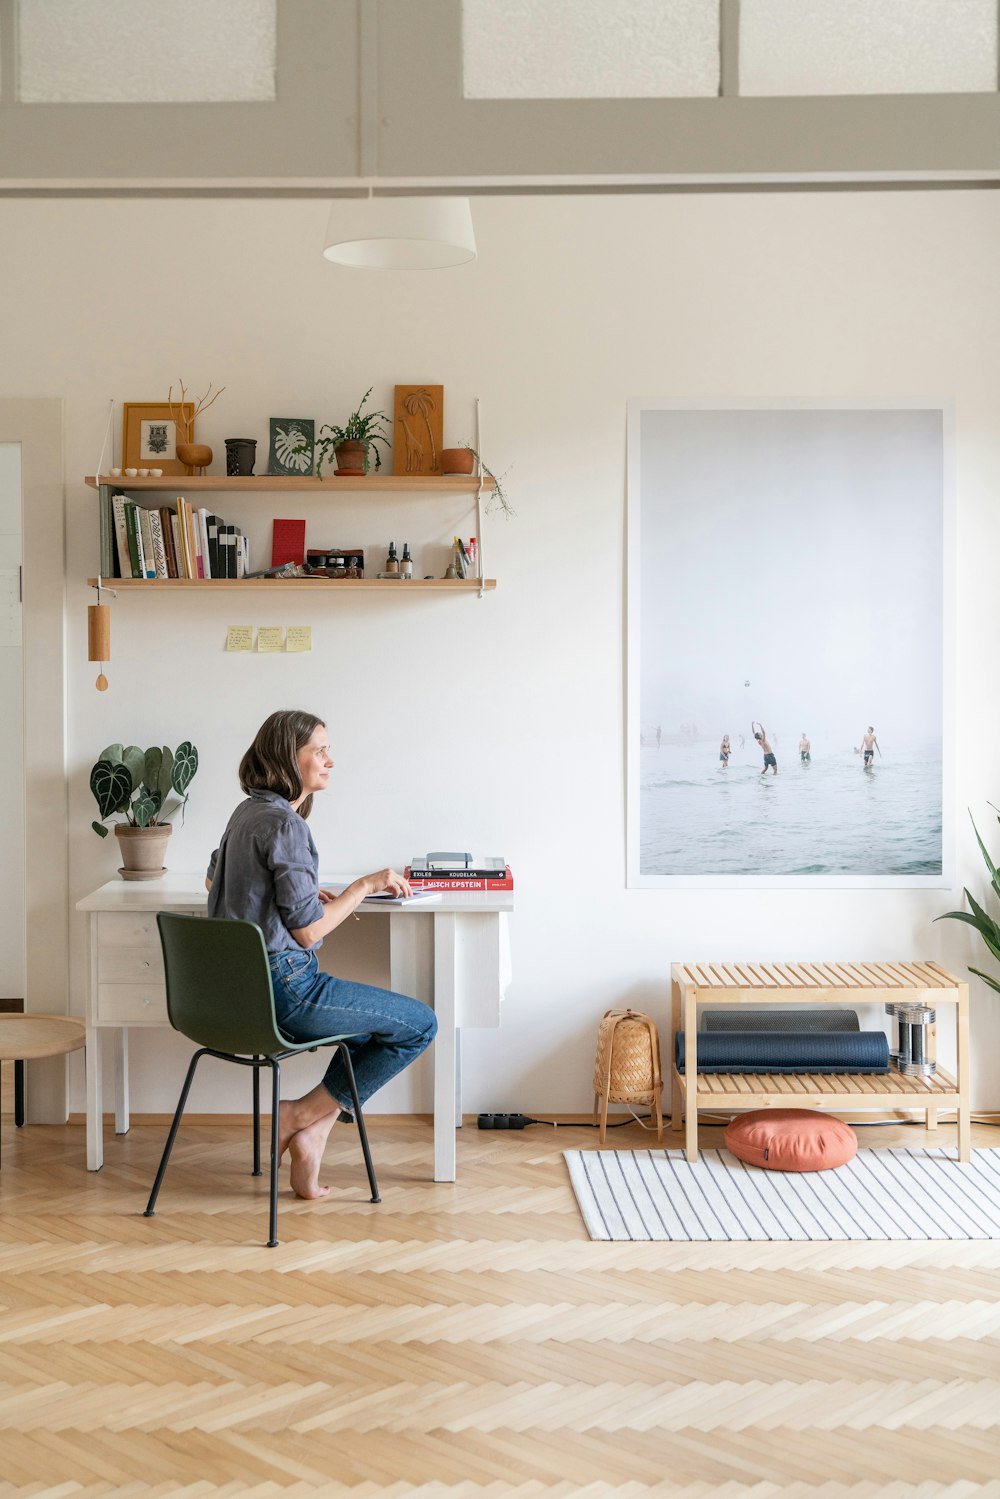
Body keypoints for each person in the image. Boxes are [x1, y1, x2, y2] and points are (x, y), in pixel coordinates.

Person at [205, 709, 437, 1201]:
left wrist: (306, 894)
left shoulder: (246, 813)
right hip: (286, 991)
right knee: (418, 1024)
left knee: (367, 1028)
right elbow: (308, 935)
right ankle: (299, 1116)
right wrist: (364, 886)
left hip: (233, 993)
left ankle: (313, 1133)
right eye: (319, 750)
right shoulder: (286, 825)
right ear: (289, 759)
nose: (330, 760)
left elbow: (215, 879)